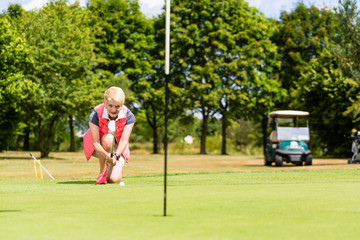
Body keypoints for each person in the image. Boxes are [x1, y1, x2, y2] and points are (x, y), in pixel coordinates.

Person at [83, 87, 135, 184]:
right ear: (105, 103)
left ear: (122, 105)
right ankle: (102, 174)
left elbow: (124, 141)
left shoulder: (129, 116)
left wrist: (115, 156)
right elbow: (95, 143)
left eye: (117, 106)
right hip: (100, 148)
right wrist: (107, 155)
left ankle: (108, 174)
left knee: (114, 179)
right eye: (110, 105)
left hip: (118, 149)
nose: (113, 110)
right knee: (108, 139)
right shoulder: (95, 114)